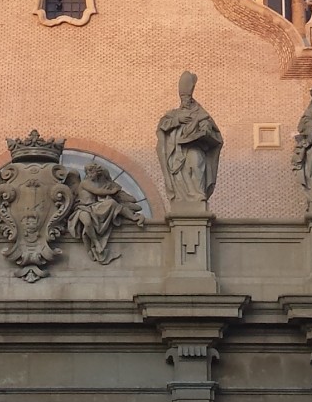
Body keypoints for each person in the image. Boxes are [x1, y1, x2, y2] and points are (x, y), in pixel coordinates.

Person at [156, 71, 223, 204]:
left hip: (194, 146)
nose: (185, 101)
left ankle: (199, 193)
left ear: (191, 98)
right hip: (177, 150)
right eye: (183, 98)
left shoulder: (200, 113)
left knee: (196, 163)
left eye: (187, 98)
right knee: (182, 172)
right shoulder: (174, 114)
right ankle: (186, 196)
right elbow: (162, 126)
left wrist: (204, 130)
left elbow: (208, 126)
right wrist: (177, 120)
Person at [69, 162, 145, 264]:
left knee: (112, 203)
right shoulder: (85, 183)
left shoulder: (100, 183)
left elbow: (132, 200)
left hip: (94, 207)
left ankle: (135, 217)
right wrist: (113, 191)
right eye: (88, 172)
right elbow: (98, 191)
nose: (89, 174)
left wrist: (114, 190)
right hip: (82, 208)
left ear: (97, 173)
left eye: (92, 172)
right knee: (87, 222)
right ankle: (96, 243)